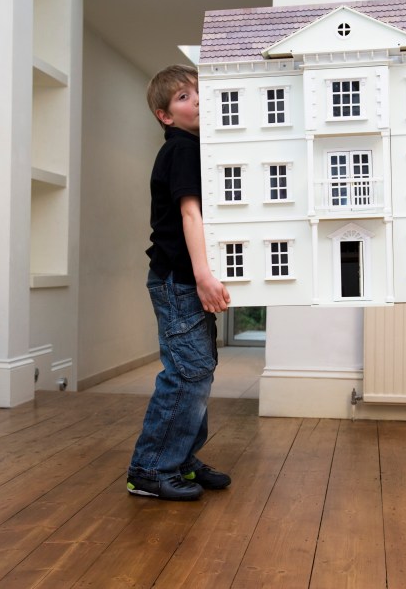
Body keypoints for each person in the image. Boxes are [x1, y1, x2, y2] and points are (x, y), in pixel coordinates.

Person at [126, 64, 232, 501]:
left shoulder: (196, 149)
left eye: (200, 93)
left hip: (180, 279)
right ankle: (150, 470)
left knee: (197, 372)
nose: (198, 101)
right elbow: (192, 215)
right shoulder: (182, 150)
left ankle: (181, 460)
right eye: (185, 98)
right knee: (186, 375)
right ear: (164, 116)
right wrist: (204, 276)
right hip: (180, 279)